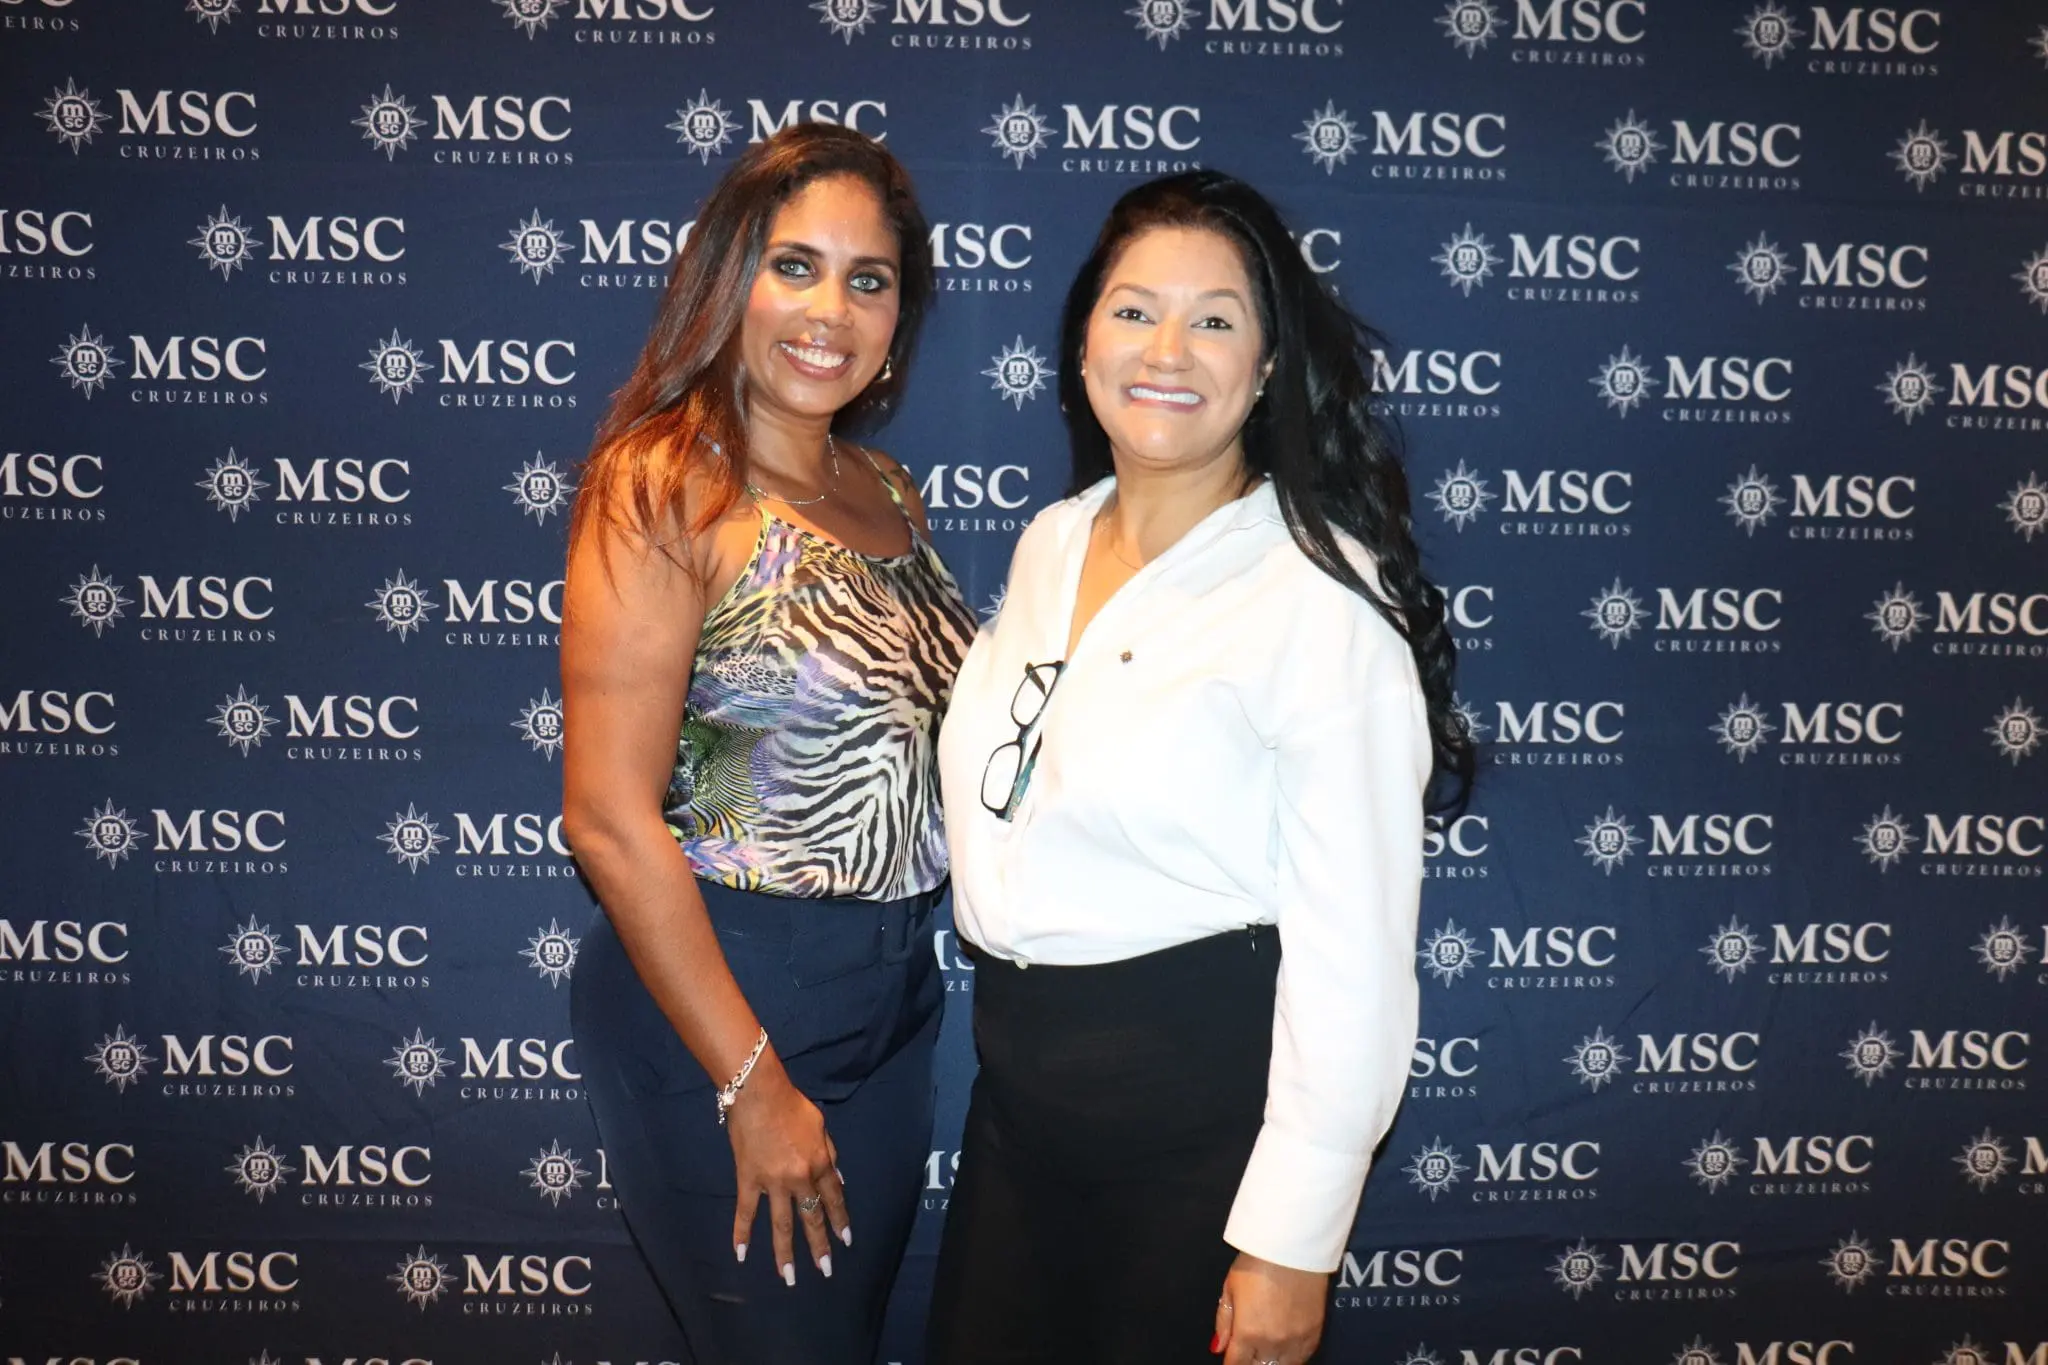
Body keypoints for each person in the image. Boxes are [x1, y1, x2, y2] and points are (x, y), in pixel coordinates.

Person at [927, 171, 1476, 1365]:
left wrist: (1292, 1242)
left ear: (1267, 366)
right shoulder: (1050, 542)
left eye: (1214, 319)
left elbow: (1352, 951)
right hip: (1016, 1115)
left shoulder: (1318, 594)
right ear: (1082, 343)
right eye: (1133, 310)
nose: (1166, 350)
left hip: (1200, 1133)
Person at [559, 123, 974, 1365]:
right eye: (794, 266)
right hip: (727, 996)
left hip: (892, 999)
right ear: (729, 276)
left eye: (868, 279)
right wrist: (750, 1080)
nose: (830, 312)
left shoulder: (888, 489)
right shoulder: (665, 485)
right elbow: (606, 818)